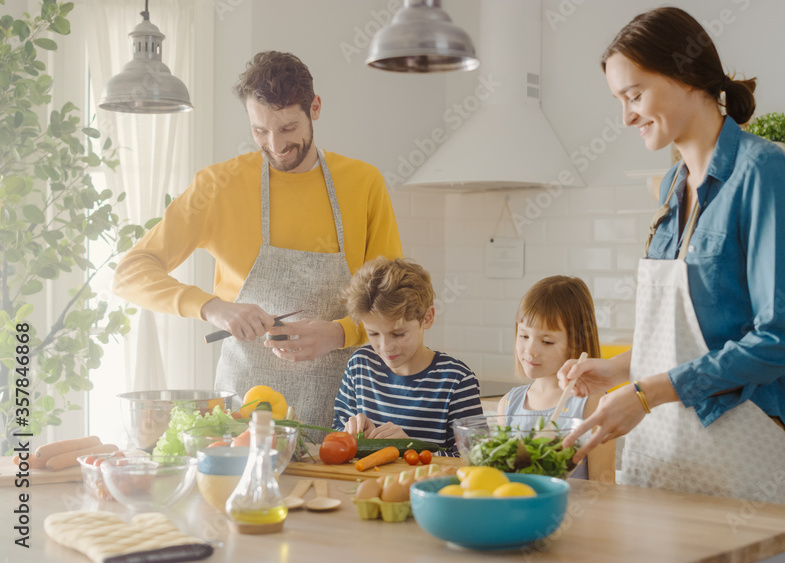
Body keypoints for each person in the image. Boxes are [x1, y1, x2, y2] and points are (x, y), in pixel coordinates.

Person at [558, 7, 785, 505]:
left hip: (740, 452)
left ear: (685, 75)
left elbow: (783, 339)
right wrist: (620, 370)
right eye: (619, 101)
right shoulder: (673, 185)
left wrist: (644, 394)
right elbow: (694, 337)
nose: (626, 117)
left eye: (634, 95)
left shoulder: (763, 173)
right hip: (660, 450)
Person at [113, 52, 402, 434]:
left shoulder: (364, 183)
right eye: (260, 131)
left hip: (348, 413)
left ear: (315, 108)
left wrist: (341, 332)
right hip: (245, 414)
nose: (276, 145)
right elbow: (130, 273)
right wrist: (213, 308)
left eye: (287, 128)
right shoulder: (217, 186)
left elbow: (394, 298)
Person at [333, 257, 483, 455]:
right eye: (374, 334)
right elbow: (336, 433)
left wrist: (410, 448)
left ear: (427, 318)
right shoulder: (359, 366)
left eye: (398, 334)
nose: (385, 347)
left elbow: (474, 459)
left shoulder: (457, 380)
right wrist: (352, 436)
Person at [497, 276, 615, 482]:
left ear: (575, 344)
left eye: (547, 341)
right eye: (523, 336)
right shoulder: (508, 404)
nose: (530, 350)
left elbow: (604, 486)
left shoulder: (593, 404)